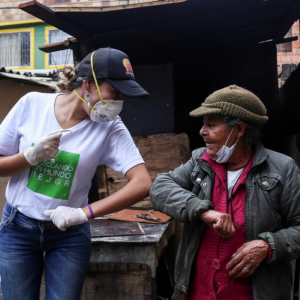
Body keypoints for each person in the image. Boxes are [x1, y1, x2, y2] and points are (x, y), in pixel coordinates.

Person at [0, 47, 152, 300]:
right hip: (18, 227)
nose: (118, 102)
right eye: (114, 92)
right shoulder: (32, 105)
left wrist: (83, 213)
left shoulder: (110, 127)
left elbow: (142, 182)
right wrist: (28, 157)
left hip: (69, 235)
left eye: (122, 96)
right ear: (87, 84)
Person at [150, 85, 300, 300]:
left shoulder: (282, 169)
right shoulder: (200, 161)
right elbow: (159, 188)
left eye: (211, 125)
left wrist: (268, 246)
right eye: (204, 124)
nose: (202, 131)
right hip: (200, 293)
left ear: (238, 130)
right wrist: (202, 210)